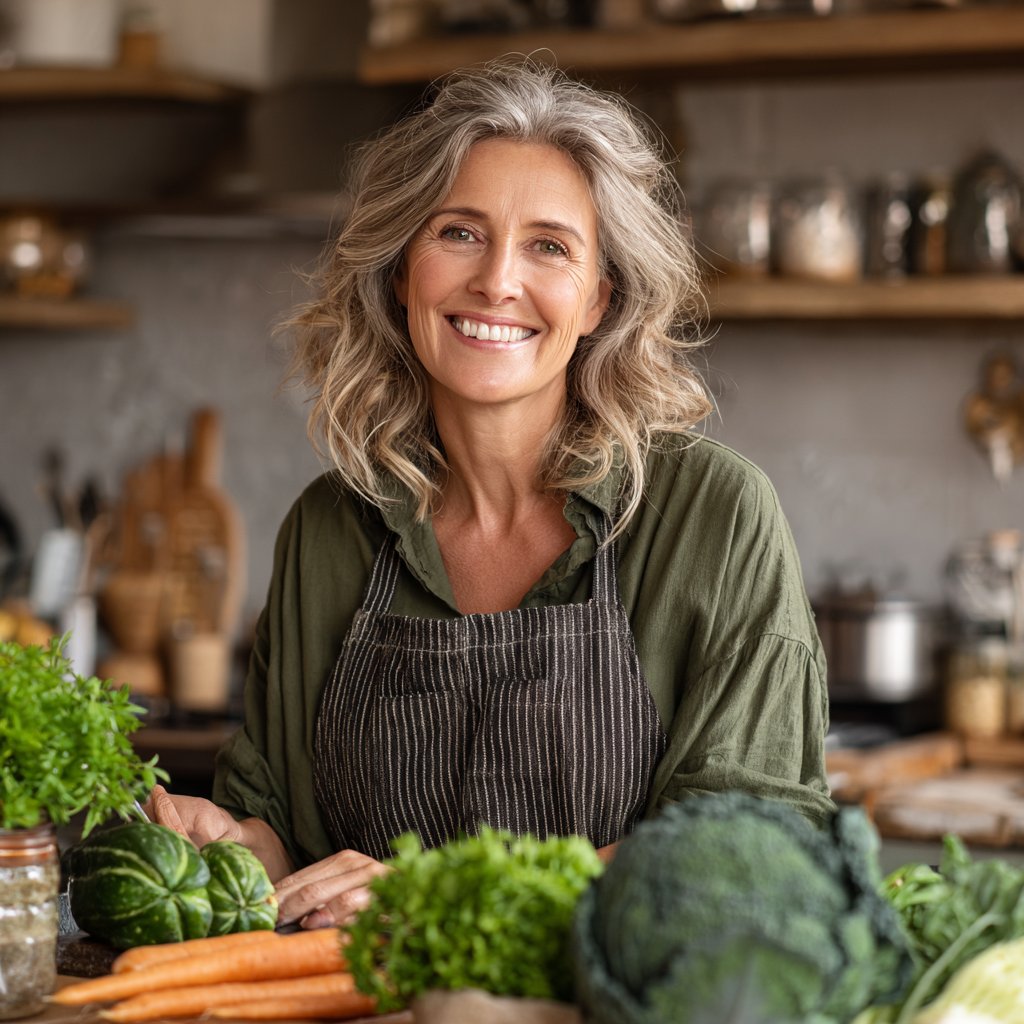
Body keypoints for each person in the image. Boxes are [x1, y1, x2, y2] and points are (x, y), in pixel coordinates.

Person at [148, 61, 833, 930]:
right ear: (402, 273)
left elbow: (749, 851)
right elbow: (285, 839)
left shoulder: (714, 518)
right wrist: (231, 845)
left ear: (599, 299)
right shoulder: (331, 528)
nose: (498, 281)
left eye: (549, 246)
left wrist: (446, 898)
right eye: (459, 233)